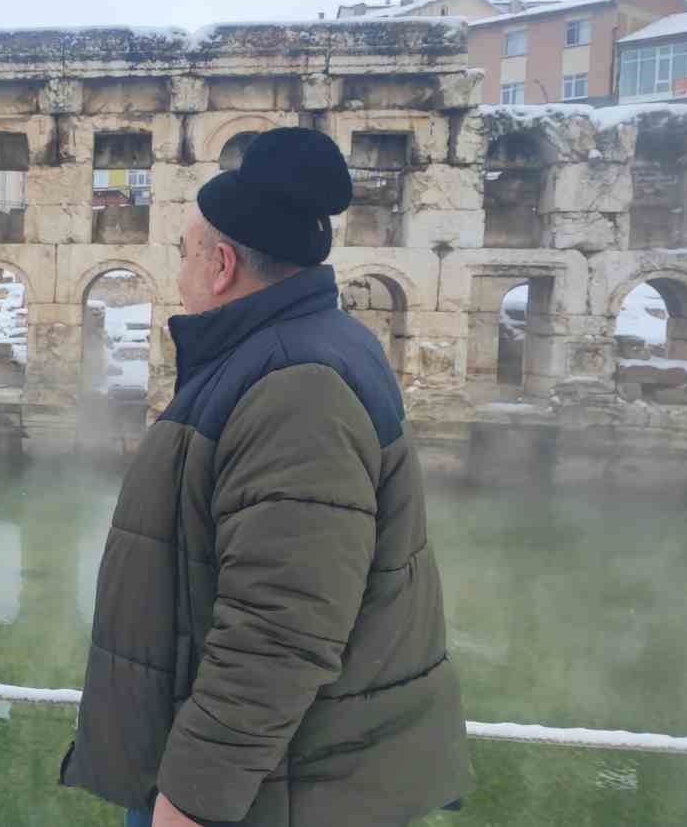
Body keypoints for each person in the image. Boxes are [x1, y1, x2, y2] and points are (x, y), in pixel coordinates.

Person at [60, 128, 471, 827]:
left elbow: (280, 628)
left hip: (273, 795)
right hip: (272, 781)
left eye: (185, 254)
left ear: (221, 265)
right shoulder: (298, 352)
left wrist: (190, 800)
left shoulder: (296, 387)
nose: (179, 275)